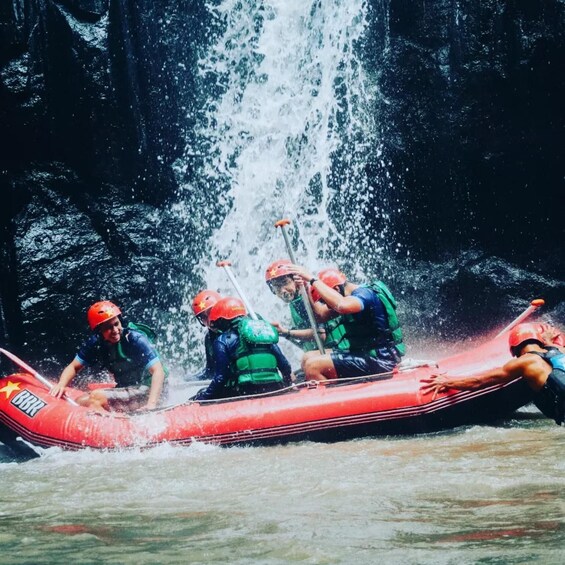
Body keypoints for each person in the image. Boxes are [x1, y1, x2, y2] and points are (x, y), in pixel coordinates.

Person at [420, 323, 565, 425]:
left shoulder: (523, 363)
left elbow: (479, 382)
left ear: (513, 350)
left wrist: (447, 382)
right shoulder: (559, 351)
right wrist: (548, 341)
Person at [286, 265, 405, 381]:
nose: (327, 305)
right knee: (307, 357)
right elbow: (320, 316)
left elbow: (341, 305)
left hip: (380, 358)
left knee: (313, 367)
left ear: (337, 289)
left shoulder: (364, 295)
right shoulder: (348, 297)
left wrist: (312, 279)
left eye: (324, 301)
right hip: (363, 351)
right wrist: (305, 287)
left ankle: (332, 398)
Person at [50, 301, 167, 412]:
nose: (115, 330)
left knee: (96, 397)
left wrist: (151, 405)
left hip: (149, 389)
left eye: (116, 324)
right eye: (108, 328)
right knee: (80, 401)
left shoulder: (135, 339)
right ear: (99, 331)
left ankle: (115, 428)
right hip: (129, 387)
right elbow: (74, 366)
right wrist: (61, 385)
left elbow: (158, 371)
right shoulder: (95, 343)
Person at [191, 297, 293, 401]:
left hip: (245, 391)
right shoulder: (263, 333)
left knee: (200, 393)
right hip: (275, 386)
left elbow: (221, 377)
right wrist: (287, 386)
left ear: (221, 320)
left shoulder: (222, 340)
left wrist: (202, 398)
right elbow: (285, 366)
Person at [265, 259, 324, 351]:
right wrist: (284, 334)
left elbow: (321, 335)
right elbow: (305, 344)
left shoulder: (304, 300)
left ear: (296, 280)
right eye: (277, 287)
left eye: (285, 283)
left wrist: (287, 332)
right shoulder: (295, 301)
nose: (282, 290)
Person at [190, 289, 222, 380]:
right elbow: (210, 371)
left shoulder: (237, 329)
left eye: (210, 312)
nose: (209, 320)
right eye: (203, 317)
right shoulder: (209, 338)